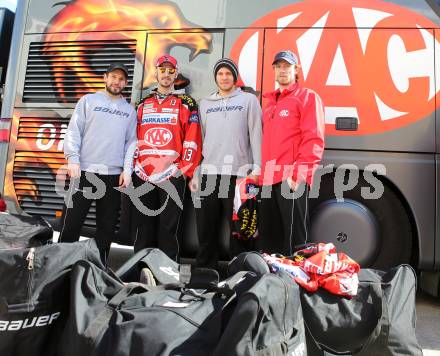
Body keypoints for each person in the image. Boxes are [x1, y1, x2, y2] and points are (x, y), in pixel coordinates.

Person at [189, 58, 262, 269]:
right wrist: (196, 173)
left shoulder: (248, 100)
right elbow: (199, 140)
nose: (224, 78)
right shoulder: (205, 104)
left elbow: (256, 134)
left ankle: (238, 275)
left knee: (239, 230)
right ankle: (204, 274)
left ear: (234, 77)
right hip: (209, 175)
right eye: (220, 74)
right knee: (205, 229)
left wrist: (257, 167)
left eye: (228, 74)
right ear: (216, 78)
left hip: (238, 176)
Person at [61, 63, 137, 263]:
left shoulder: (129, 111)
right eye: (113, 77)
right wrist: (72, 159)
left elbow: (131, 143)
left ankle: (98, 268)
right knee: (72, 223)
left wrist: (127, 170)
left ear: (125, 83)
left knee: (107, 227)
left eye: (121, 79)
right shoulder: (88, 101)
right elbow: (74, 131)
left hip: (112, 176)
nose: (116, 82)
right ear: (105, 78)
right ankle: (59, 266)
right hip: (83, 172)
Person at [133, 54, 202, 260]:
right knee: (143, 228)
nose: (166, 74)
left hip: (172, 174)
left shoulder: (186, 103)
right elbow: (132, 136)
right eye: (162, 70)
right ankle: (139, 274)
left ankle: (167, 276)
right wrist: (132, 167)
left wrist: (184, 170)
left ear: (176, 74)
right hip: (143, 174)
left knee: (168, 230)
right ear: (155, 73)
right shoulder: (142, 102)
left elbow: (193, 138)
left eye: (170, 70)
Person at [258, 50, 325, 256]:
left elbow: (314, 139)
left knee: (295, 243)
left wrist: (298, 175)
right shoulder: (270, 102)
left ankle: (296, 286)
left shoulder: (307, 97)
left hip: (291, 179)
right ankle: (273, 285)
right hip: (268, 179)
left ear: (296, 70)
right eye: (278, 66)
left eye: (287, 66)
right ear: (274, 71)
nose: (282, 70)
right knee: (270, 241)